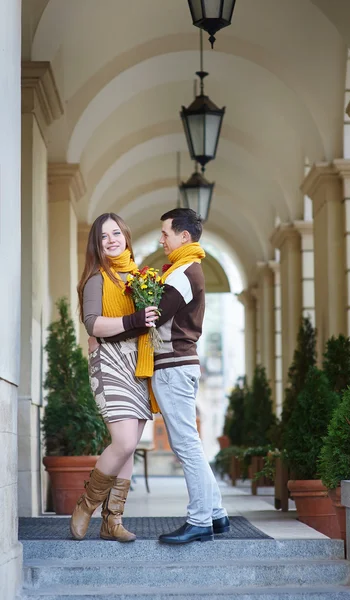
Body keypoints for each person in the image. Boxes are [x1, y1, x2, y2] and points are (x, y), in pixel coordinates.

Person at [104, 208, 229, 544]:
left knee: (186, 444)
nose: (162, 239)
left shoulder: (183, 272)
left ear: (184, 237)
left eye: (166, 233)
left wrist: (121, 318)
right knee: (190, 443)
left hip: (173, 366)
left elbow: (154, 318)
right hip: (178, 366)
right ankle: (216, 514)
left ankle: (200, 520)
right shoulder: (188, 270)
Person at [70, 213, 159, 543]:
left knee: (129, 447)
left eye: (116, 233)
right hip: (109, 362)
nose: (111, 240)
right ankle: (86, 505)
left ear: (126, 236)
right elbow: (93, 325)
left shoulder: (140, 278)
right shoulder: (97, 278)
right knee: (122, 442)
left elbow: (146, 323)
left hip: (138, 363)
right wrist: (134, 318)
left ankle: (113, 520)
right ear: (97, 243)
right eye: (104, 236)